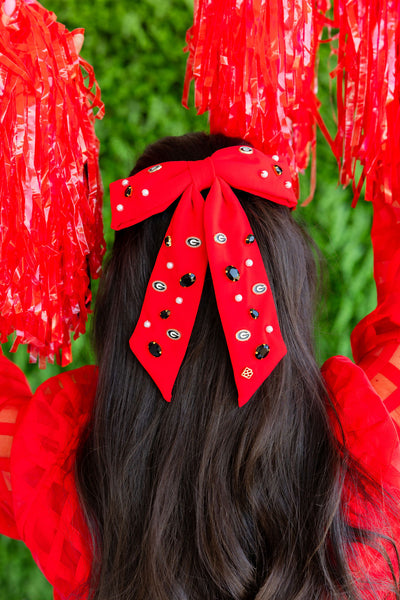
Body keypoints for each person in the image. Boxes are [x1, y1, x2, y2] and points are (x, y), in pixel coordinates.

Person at [0, 131, 400, 600]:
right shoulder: (367, 468)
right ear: (288, 285)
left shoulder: (59, 478)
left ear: (125, 295)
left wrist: (29, 104)